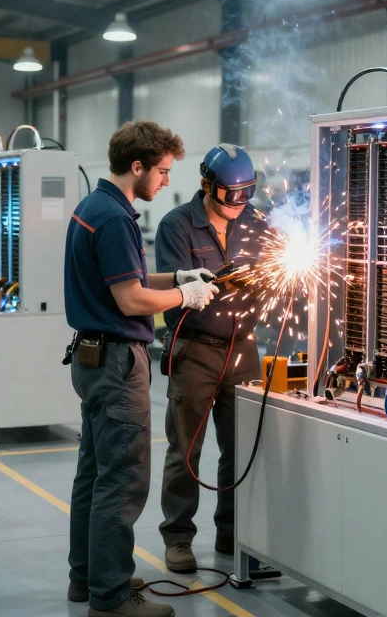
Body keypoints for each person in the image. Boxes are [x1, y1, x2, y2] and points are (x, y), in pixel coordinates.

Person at [64, 121, 219, 617]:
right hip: (115, 363)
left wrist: (176, 275)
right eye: (163, 171)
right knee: (123, 481)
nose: (167, 182)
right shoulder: (114, 218)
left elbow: (127, 276)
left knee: (94, 475)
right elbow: (131, 298)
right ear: (138, 167)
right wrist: (184, 296)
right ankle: (110, 599)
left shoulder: (96, 207)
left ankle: (87, 579)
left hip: (91, 357)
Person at [154, 144, 266, 573]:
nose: (238, 205)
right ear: (207, 185)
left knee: (241, 447)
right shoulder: (177, 225)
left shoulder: (256, 223)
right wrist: (222, 281)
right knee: (186, 447)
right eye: (229, 195)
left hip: (244, 348)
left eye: (246, 194)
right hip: (195, 348)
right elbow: (175, 295)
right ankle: (178, 537)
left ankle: (233, 531)